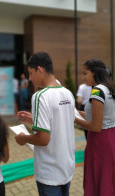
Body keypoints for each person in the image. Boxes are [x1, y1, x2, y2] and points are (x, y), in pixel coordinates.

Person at [15, 52, 75, 196]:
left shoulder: (40, 96)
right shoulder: (67, 93)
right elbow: (61, 121)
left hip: (49, 171)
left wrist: (23, 138)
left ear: (40, 69)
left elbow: (43, 139)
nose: (29, 78)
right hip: (66, 167)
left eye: (30, 73)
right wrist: (34, 119)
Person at [75, 59, 115, 196]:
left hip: (100, 142)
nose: (83, 77)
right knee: (111, 178)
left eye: (85, 73)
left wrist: (74, 119)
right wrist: (86, 115)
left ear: (95, 73)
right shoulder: (111, 88)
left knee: (101, 178)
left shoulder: (97, 92)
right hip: (114, 138)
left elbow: (96, 127)